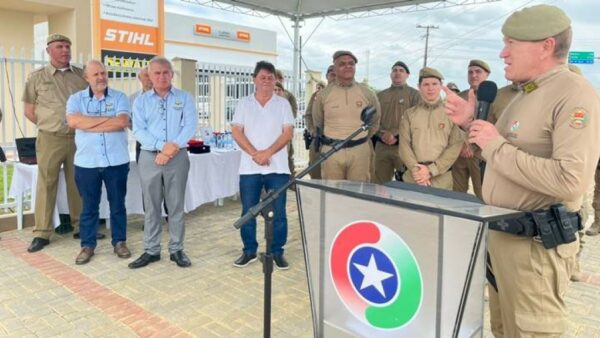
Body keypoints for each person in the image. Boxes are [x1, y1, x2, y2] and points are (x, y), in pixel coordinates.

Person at [444, 5, 600, 336]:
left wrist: (495, 144)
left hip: (535, 250)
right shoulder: (525, 94)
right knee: (503, 330)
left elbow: (570, 181)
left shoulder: (574, 94)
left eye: (511, 43)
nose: (502, 53)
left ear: (545, 45)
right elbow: (501, 154)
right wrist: (471, 124)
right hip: (503, 239)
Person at [22, 34, 99, 253]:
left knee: (79, 182)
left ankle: (81, 227)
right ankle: (42, 232)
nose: (65, 50)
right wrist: (50, 124)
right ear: (49, 51)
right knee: (46, 183)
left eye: (67, 46)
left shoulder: (80, 76)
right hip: (50, 138)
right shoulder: (37, 77)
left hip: (78, 138)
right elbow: (29, 110)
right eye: (59, 47)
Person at [129, 56, 197, 269]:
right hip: (150, 157)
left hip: (177, 157)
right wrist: (160, 146)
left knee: (176, 205)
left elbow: (190, 125)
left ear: (171, 74)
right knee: (151, 206)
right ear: (149, 76)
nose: (161, 77)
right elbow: (138, 129)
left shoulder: (184, 98)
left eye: (166, 72)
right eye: (157, 73)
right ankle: (151, 250)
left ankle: (177, 249)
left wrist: (170, 149)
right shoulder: (141, 101)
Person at [65, 60, 131, 265]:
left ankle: (119, 241)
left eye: (103, 73)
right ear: (86, 78)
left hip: (116, 162)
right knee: (89, 206)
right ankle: (87, 245)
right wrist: (106, 121)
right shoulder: (76, 99)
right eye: (96, 74)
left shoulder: (120, 97)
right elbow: (73, 122)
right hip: (87, 163)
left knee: (118, 204)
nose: (101, 77)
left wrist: (88, 123)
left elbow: (121, 122)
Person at [231, 61, 294, 269]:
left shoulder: (283, 104)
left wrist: (268, 152)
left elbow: (287, 133)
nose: (266, 81)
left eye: (270, 77)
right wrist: (254, 154)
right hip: (250, 168)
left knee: (279, 213)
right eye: (262, 77)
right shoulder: (243, 103)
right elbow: (237, 131)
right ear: (254, 79)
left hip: (277, 168)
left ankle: (277, 252)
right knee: (248, 212)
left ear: (275, 79)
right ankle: (249, 251)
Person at [312, 50, 380, 182]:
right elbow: (318, 122)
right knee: (331, 194)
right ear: (335, 68)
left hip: (359, 151)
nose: (348, 66)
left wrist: (360, 139)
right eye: (342, 64)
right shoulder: (324, 94)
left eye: (351, 63)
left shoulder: (367, 93)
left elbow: (375, 121)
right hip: (331, 152)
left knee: (358, 194)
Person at [398, 67, 462, 189]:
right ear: (419, 87)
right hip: (413, 177)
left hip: (441, 179)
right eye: (426, 84)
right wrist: (417, 171)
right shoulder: (409, 114)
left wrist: (431, 170)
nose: (430, 88)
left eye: (434, 84)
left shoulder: (451, 113)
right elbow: (404, 146)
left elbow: (454, 146)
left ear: (441, 86)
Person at [372, 61, 420, 184]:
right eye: (395, 70)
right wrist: (382, 134)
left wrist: (396, 135)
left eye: (401, 70)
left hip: (404, 147)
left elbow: (417, 120)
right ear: (390, 74)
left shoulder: (414, 95)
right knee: (378, 185)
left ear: (407, 75)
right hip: (382, 147)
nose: (397, 73)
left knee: (405, 184)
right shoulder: (380, 96)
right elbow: (373, 120)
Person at [452, 59, 491, 199]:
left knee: (483, 196)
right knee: (457, 195)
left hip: (482, 155)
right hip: (460, 152)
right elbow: (451, 126)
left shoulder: (493, 97)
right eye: (470, 72)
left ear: (487, 74)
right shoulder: (459, 97)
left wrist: (472, 146)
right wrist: (463, 144)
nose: (473, 75)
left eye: (478, 72)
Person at [304, 66, 335, 179]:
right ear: (326, 76)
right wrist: (312, 130)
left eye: (336, 73)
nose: (334, 75)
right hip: (319, 141)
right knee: (316, 175)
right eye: (331, 73)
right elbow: (308, 115)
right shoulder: (316, 96)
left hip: (337, 144)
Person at [275, 69, 298, 175]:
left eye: (279, 78)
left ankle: (291, 180)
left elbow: (293, 114)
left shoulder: (288, 95)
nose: (277, 80)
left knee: (287, 156)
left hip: (284, 132)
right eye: (275, 78)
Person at [129, 66, 153, 162]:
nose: (150, 79)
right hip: (142, 143)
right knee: (144, 175)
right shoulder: (132, 98)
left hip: (164, 142)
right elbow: (128, 120)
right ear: (139, 78)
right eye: (146, 75)